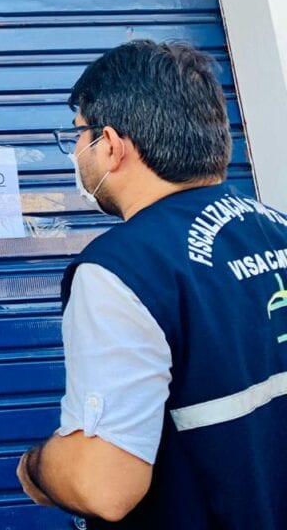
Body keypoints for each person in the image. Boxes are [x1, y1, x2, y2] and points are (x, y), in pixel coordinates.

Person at [16, 40, 287, 528]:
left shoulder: (121, 269)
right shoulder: (279, 229)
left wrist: (37, 469)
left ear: (111, 145)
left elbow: (103, 485)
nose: (75, 151)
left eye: (78, 133)